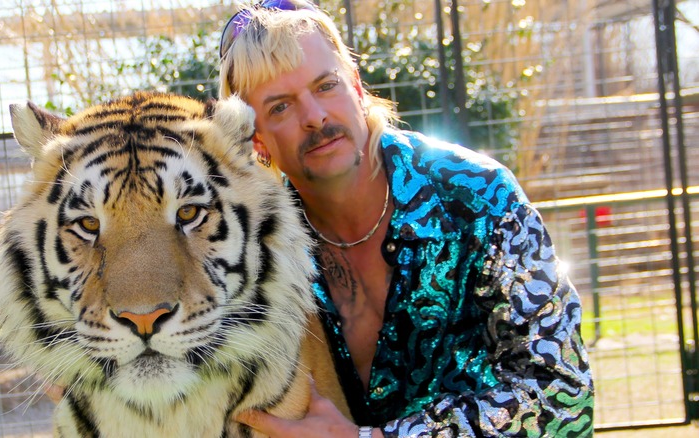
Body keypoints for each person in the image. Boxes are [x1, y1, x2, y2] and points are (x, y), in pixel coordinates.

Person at [218, 1, 594, 437]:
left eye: (326, 86)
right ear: (257, 141)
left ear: (356, 87)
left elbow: (563, 393)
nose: (315, 117)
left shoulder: (479, 196)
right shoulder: (260, 254)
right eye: (281, 107)